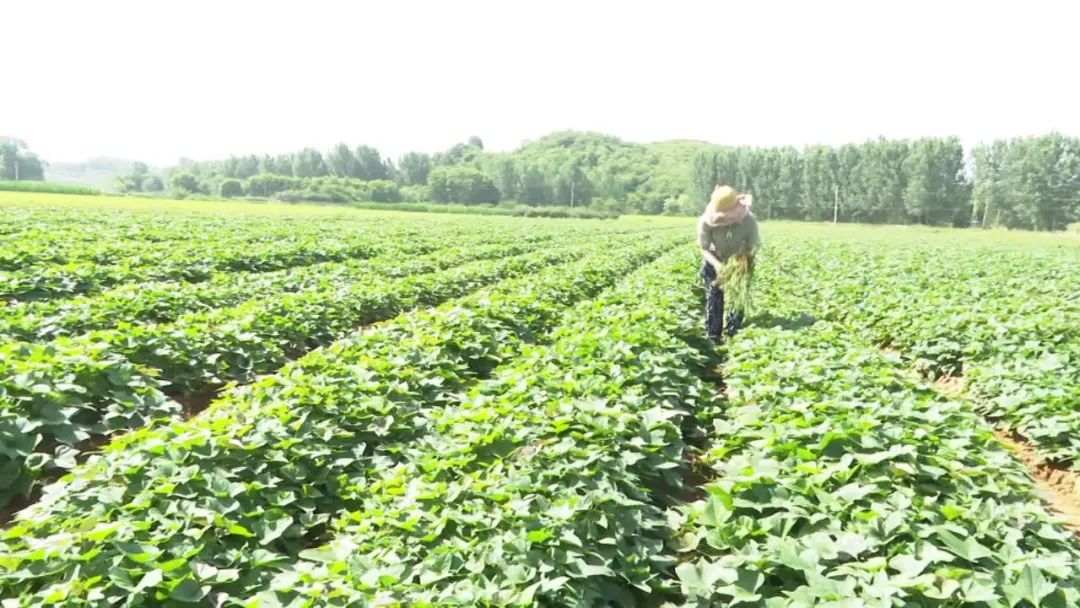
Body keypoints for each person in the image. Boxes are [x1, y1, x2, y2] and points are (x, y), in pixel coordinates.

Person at [697, 184, 761, 343]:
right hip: (715, 260)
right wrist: (719, 266)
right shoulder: (707, 221)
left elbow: (753, 245)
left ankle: (734, 334)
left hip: (740, 261)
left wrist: (741, 260)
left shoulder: (749, 220)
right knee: (714, 296)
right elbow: (704, 248)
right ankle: (714, 336)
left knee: (738, 296)